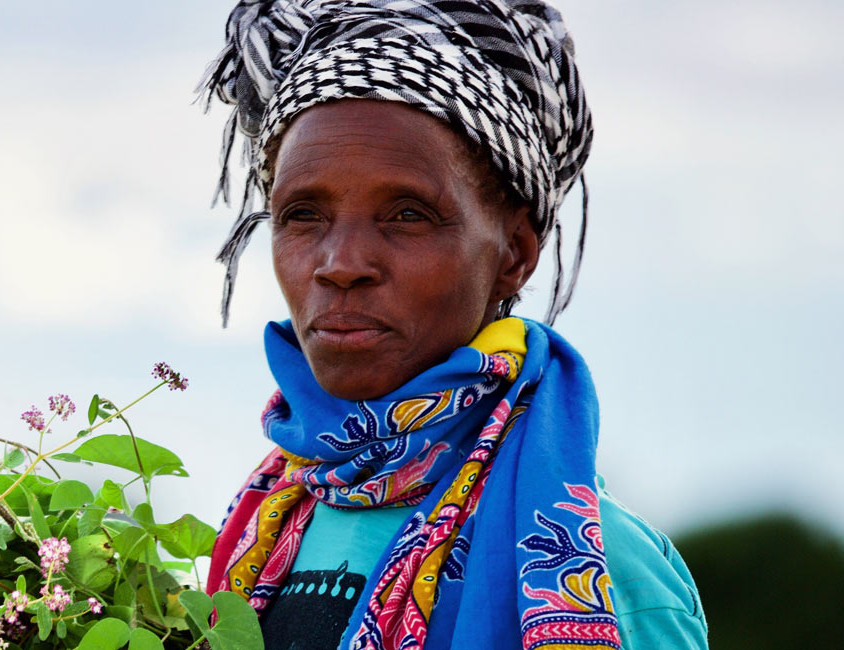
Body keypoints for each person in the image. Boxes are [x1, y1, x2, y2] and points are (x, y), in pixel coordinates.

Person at [195, 1, 709, 648]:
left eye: (407, 214)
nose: (341, 263)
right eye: (303, 214)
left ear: (515, 253)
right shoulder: (260, 530)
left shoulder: (612, 576)